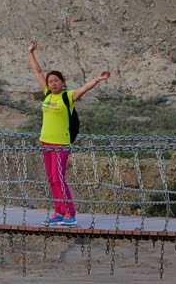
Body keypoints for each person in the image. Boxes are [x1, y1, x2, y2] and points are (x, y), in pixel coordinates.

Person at [28, 38, 110, 226]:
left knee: (59, 178)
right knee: (51, 179)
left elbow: (84, 89)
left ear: (62, 83)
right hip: (45, 142)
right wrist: (31, 52)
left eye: (56, 80)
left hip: (61, 143)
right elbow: (37, 71)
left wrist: (97, 79)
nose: (52, 83)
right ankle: (58, 212)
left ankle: (70, 214)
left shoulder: (67, 96)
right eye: (50, 81)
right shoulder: (47, 94)